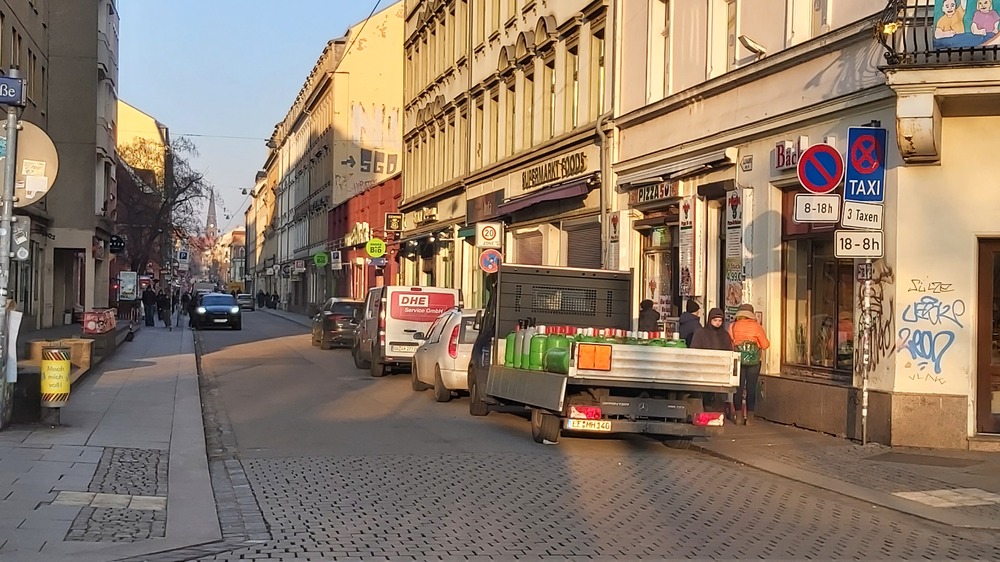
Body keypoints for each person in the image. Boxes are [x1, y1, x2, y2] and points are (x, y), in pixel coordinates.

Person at [729, 303, 770, 419]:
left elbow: (730, 343)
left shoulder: (733, 326)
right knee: (751, 388)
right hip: (754, 363)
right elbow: (766, 345)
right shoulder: (757, 327)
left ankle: (738, 416)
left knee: (738, 387)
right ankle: (750, 416)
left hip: (738, 361)